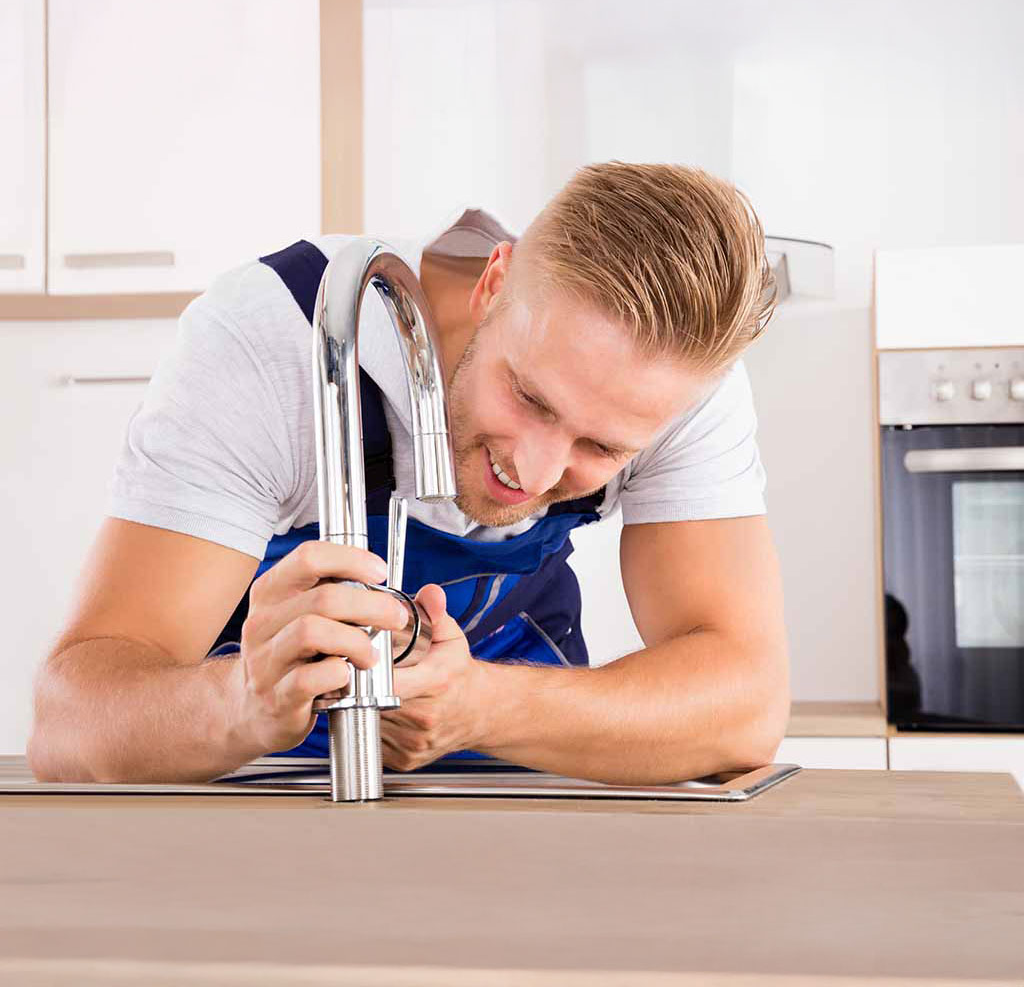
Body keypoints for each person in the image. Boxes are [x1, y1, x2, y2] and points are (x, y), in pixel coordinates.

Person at [29, 162, 790, 785]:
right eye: (528, 397)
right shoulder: (271, 341)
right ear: (496, 282)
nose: (534, 469)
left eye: (602, 448)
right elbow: (69, 724)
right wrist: (243, 703)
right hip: (257, 805)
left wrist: (482, 707)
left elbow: (746, 704)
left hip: (520, 807)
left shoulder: (676, 385)